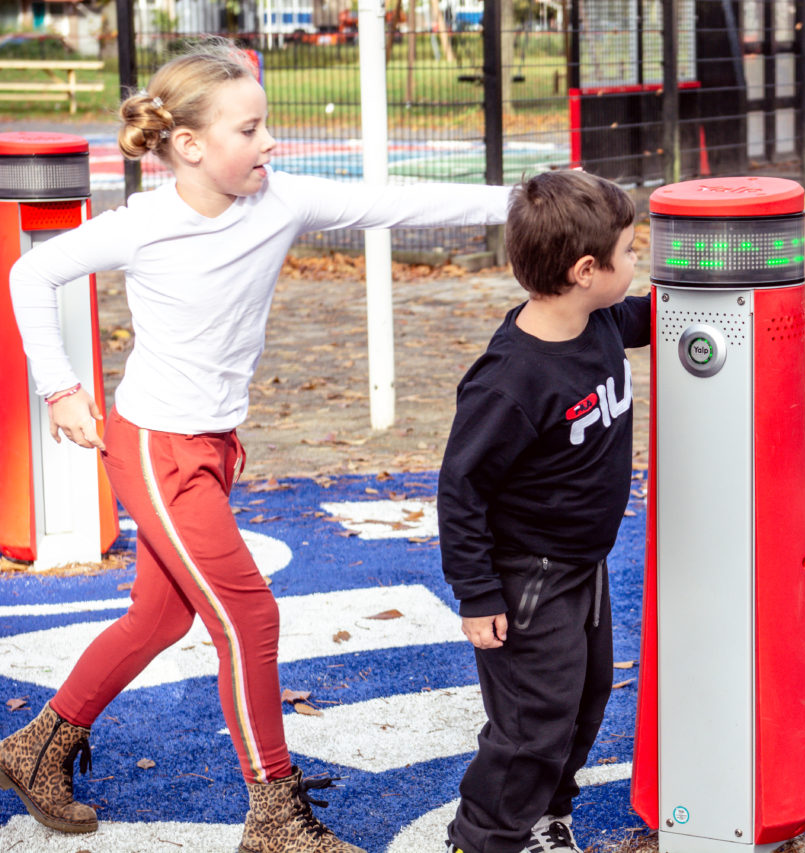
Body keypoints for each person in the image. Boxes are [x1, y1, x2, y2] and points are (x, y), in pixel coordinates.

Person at [2, 38, 510, 853]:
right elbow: (32, 274)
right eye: (250, 129)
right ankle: (273, 814)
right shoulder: (144, 226)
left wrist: (526, 199)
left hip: (213, 448)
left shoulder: (279, 200)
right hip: (158, 451)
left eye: (266, 124)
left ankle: (35, 748)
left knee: (159, 618)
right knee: (249, 614)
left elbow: (393, 203)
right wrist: (60, 388)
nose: (269, 142)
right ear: (192, 145)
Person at [436, 169, 646, 853]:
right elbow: (460, 489)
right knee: (533, 723)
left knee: (584, 704)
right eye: (632, 250)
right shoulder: (511, 380)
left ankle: (544, 814)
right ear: (587, 268)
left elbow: (644, 314)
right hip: (527, 576)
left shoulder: (596, 318)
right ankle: (484, 838)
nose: (638, 261)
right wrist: (476, 592)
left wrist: (715, 293)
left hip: (583, 566)